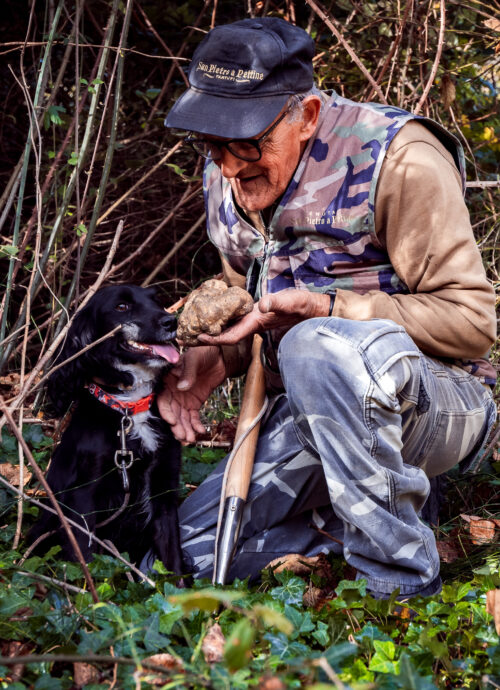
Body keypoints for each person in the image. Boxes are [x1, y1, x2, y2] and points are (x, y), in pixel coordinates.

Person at [159, 17, 497, 598]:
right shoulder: (226, 170)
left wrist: (329, 307)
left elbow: (472, 324)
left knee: (316, 344)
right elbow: (249, 300)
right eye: (212, 143)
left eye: (248, 141)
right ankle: (352, 521)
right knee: (183, 556)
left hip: (439, 405)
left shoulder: (399, 158)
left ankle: (400, 590)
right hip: (313, 416)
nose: (230, 166)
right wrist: (216, 357)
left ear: (307, 116)